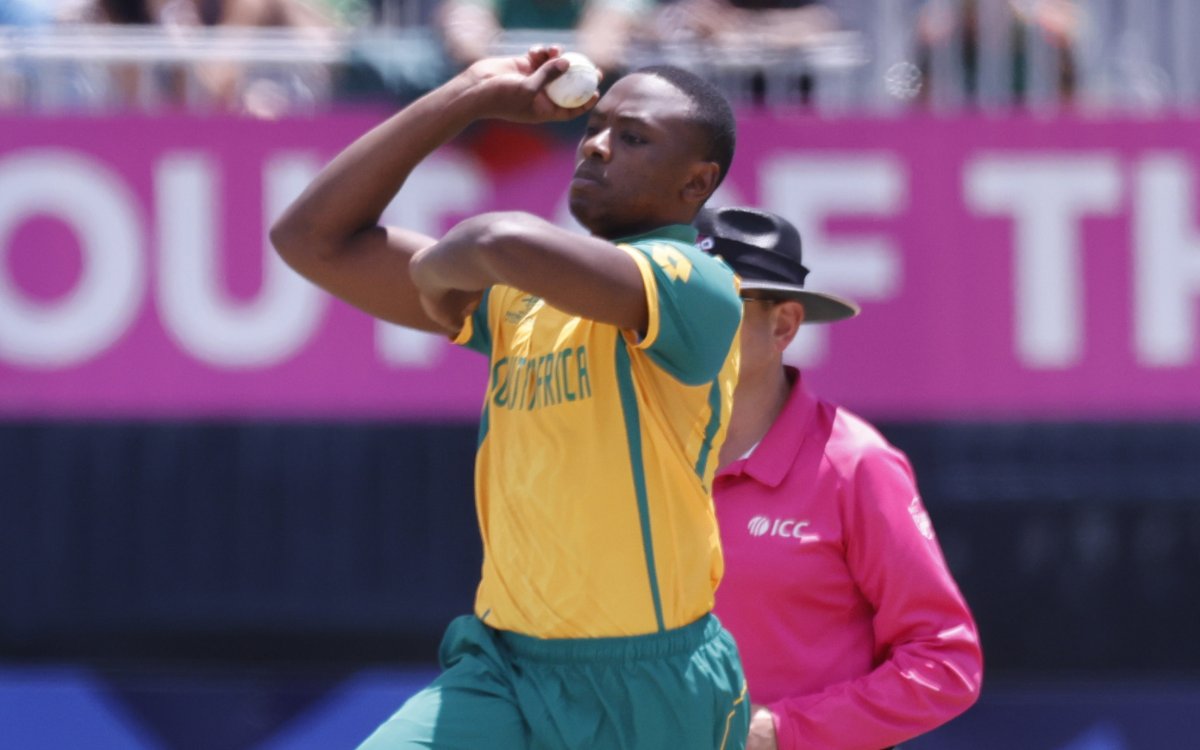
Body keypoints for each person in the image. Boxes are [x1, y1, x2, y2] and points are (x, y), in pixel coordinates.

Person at [270, 46, 750, 749]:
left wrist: (437, 270)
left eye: (633, 137)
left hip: (649, 682)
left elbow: (498, 239)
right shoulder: (519, 299)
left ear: (696, 182)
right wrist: (466, 94)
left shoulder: (699, 284)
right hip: (506, 670)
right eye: (597, 126)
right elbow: (310, 239)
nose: (596, 144)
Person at [695, 207, 983, 750]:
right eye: (678, 304)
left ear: (783, 325)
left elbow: (946, 662)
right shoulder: (646, 452)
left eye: (717, 303)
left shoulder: (856, 464)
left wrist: (779, 731)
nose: (688, 323)